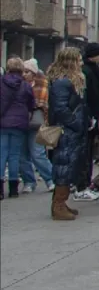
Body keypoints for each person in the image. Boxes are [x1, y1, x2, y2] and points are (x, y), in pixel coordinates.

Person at [46, 49, 89, 221]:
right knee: (64, 167)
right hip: (67, 131)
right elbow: (60, 108)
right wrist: (75, 123)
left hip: (71, 130)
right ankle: (58, 204)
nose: (81, 63)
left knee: (68, 166)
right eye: (79, 60)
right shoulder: (63, 82)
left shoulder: (67, 80)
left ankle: (60, 203)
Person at [1, 57, 35, 199]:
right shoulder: (25, 85)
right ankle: (13, 188)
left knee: (2, 154)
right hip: (20, 123)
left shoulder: (1, 82)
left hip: (2, 122)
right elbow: (31, 104)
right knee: (14, 155)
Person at [76, 43, 99, 201]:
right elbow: (92, 95)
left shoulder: (94, 70)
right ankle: (83, 185)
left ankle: (87, 183)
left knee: (92, 151)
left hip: (93, 115)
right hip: (90, 117)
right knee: (88, 151)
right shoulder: (88, 71)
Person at [21, 59, 54, 193]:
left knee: (37, 153)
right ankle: (28, 182)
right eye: (23, 71)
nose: (24, 74)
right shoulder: (20, 84)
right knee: (22, 155)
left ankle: (51, 179)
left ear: (34, 73)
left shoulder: (42, 83)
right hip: (20, 122)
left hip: (36, 123)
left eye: (27, 72)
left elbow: (43, 104)